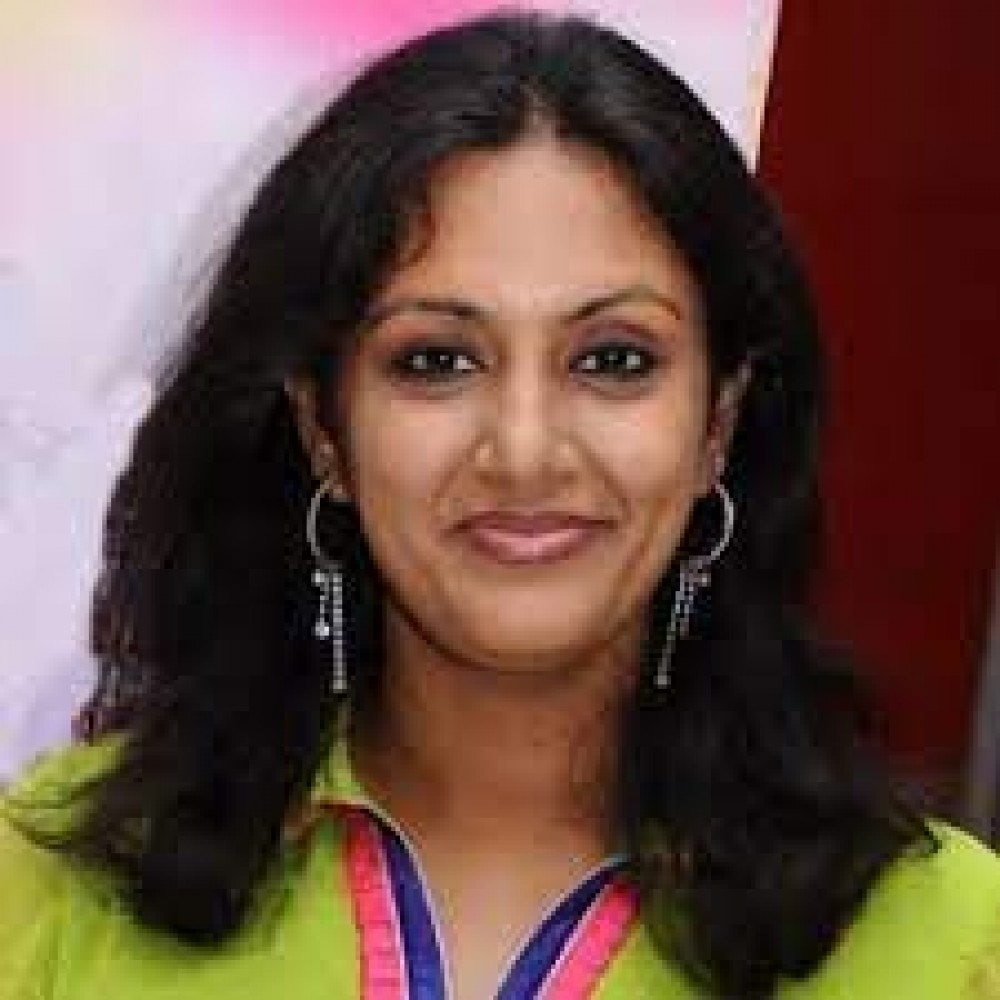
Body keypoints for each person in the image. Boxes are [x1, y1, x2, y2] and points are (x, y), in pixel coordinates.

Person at [2, 10, 998, 1000]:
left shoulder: (943, 944)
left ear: (717, 425)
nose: (524, 451)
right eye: (436, 360)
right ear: (322, 428)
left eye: (614, 360)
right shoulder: (57, 892)